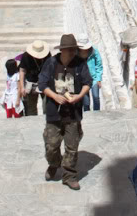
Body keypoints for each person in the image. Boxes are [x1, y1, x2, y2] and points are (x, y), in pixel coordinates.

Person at [37, 32, 91, 191]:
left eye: (73, 49)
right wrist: (54, 96)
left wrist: (79, 96)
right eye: (68, 49)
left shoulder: (80, 64)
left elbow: (88, 82)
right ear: (62, 50)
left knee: (71, 147)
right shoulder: (51, 63)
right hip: (54, 113)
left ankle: (69, 175)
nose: (72, 52)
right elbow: (42, 84)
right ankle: (54, 164)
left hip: (73, 113)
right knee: (51, 145)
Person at [18, 38, 51, 116]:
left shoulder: (47, 54)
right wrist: (22, 87)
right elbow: (22, 71)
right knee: (31, 109)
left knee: (47, 107)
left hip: (45, 83)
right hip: (30, 84)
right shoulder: (26, 56)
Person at [77, 35, 103, 111]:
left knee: (96, 97)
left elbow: (99, 65)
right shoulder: (76, 53)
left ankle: (97, 114)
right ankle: (87, 116)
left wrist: (99, 78)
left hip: (94, 78)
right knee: (86, 102)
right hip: (83, 80)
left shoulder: (94, 51)